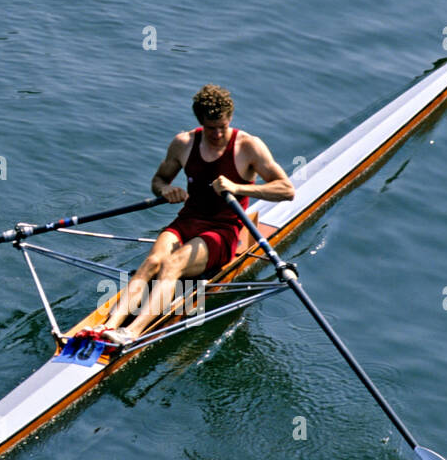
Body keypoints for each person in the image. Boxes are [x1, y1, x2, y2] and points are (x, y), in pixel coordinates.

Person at [93, 84, 296, 346]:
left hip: (223, 230)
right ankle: (108, 325)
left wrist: (238, 187)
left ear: (230, 119)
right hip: (187, 221)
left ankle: (133, 332)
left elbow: (286, 190)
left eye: (223, 126)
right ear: (200, 122)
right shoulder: (183, 144)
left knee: (172, 265)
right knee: (152, 261)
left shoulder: (249, 146)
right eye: (211, 128)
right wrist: (166, 190)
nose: (218, 134)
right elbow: (159, 179)